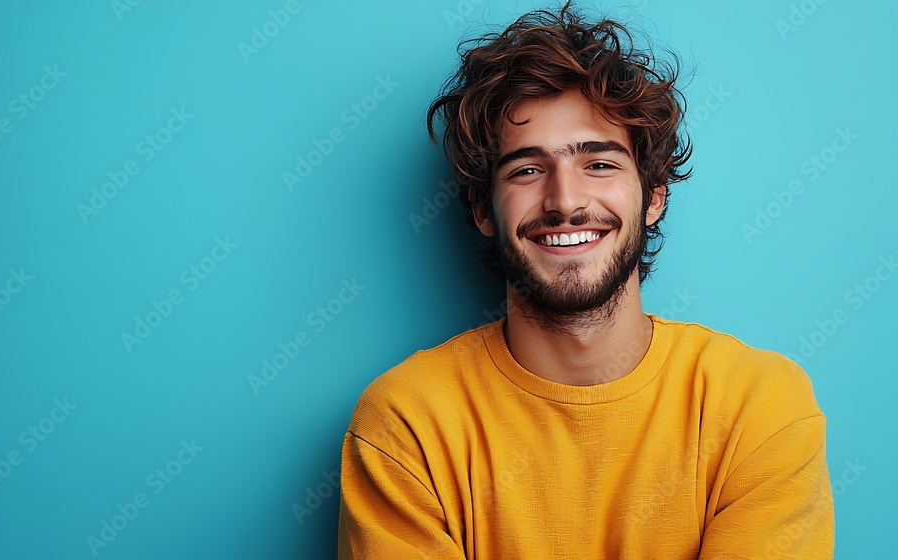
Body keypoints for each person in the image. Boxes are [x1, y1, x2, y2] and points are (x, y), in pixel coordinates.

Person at [337, 3, 833, 558]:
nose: (565, 200)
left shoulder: (759, 407)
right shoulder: (407, 423)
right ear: (481, 208)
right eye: (527, 169)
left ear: (654, 196)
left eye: (598, 163)